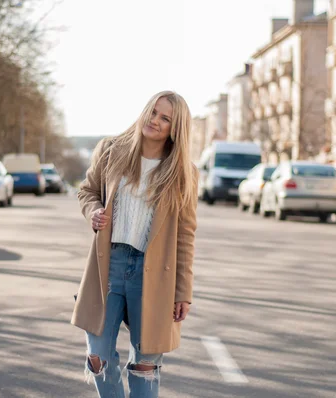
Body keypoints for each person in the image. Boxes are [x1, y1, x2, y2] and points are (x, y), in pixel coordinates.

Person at [71, 91, 198, 397]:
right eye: (153, 112)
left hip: (153, 273)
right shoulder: (111, 150)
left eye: (165, 118)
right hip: (109, 266)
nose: (154, 120)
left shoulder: (182, 173)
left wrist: (183, 291)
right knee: (98, 356)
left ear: (175, 128)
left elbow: (185, 234)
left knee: (145, 364)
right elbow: (87, 191)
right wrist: (94, 211)